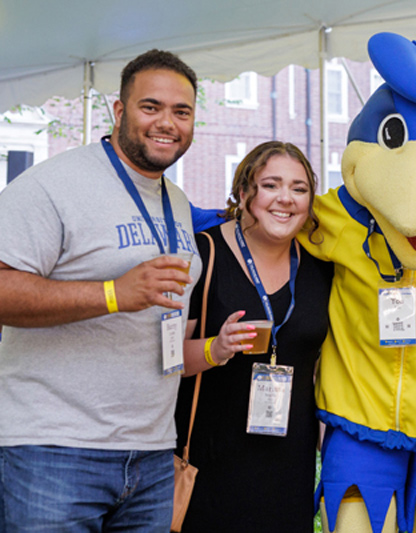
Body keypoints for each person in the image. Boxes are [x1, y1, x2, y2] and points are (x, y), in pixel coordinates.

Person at [0, 49, 201, 530]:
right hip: (55, 449)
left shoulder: (177, 199)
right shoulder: (53, 184)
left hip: (151, 453)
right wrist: (114, 293)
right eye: (150, 107)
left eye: (182, 111)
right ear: (119, 111)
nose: (166, 123)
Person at [173, 141, 333, 532]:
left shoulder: (321, 268)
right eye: (271, 185)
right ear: (244, 193)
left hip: (288, 468)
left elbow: (321, 372)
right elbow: (163, 359)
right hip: (210, 465)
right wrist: (216, 347)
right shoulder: (203, 254)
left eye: (299, 189)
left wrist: (332, 457)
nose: (286, 199)